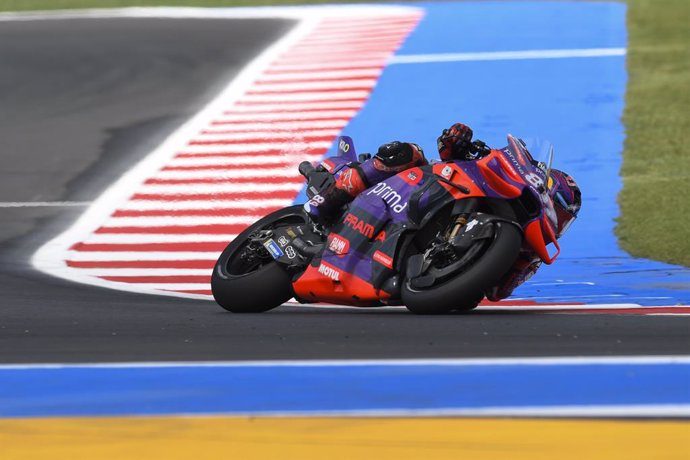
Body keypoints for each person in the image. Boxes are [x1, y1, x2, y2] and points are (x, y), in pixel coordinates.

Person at [305, 123, 581, 301]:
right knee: (406, 152)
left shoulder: (528, 256)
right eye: (560, 209)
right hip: (415, 189)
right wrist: (456, 139)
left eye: (566, 221)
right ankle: (327, 201)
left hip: (417, 282)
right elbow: (448, 152)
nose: (560, 220)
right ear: (544, 185)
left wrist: (520, 261)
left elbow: (498, 293)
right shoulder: (497, 177)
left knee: (465, 304)